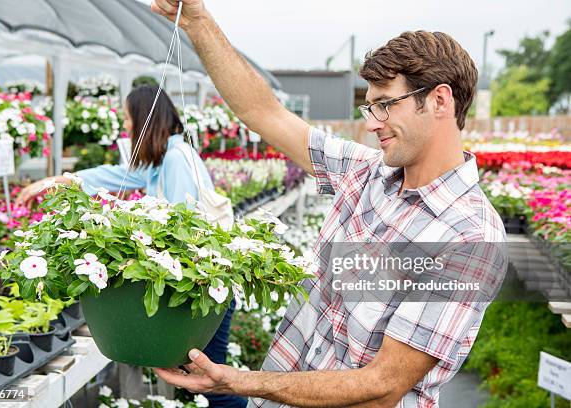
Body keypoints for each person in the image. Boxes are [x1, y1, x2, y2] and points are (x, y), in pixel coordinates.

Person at [149, 1, 508, 407]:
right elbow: (262, 112)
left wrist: (241, 382)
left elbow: (382, 387)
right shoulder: (366, 172)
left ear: (440, 101)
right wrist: (198, 21)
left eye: (386, 104)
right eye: (370, 107)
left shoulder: (470, 235)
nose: (372, 123)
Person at [17, 85, 247, 408]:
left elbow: (186, 231)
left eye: (127, 118)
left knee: (216, 387)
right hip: (202, 291)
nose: (126, 126)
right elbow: (117, 175)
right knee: (204, 384)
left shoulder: (176, 160)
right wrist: (57, 181)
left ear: (143, 119)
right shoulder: (164, 158)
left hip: (209, 292)